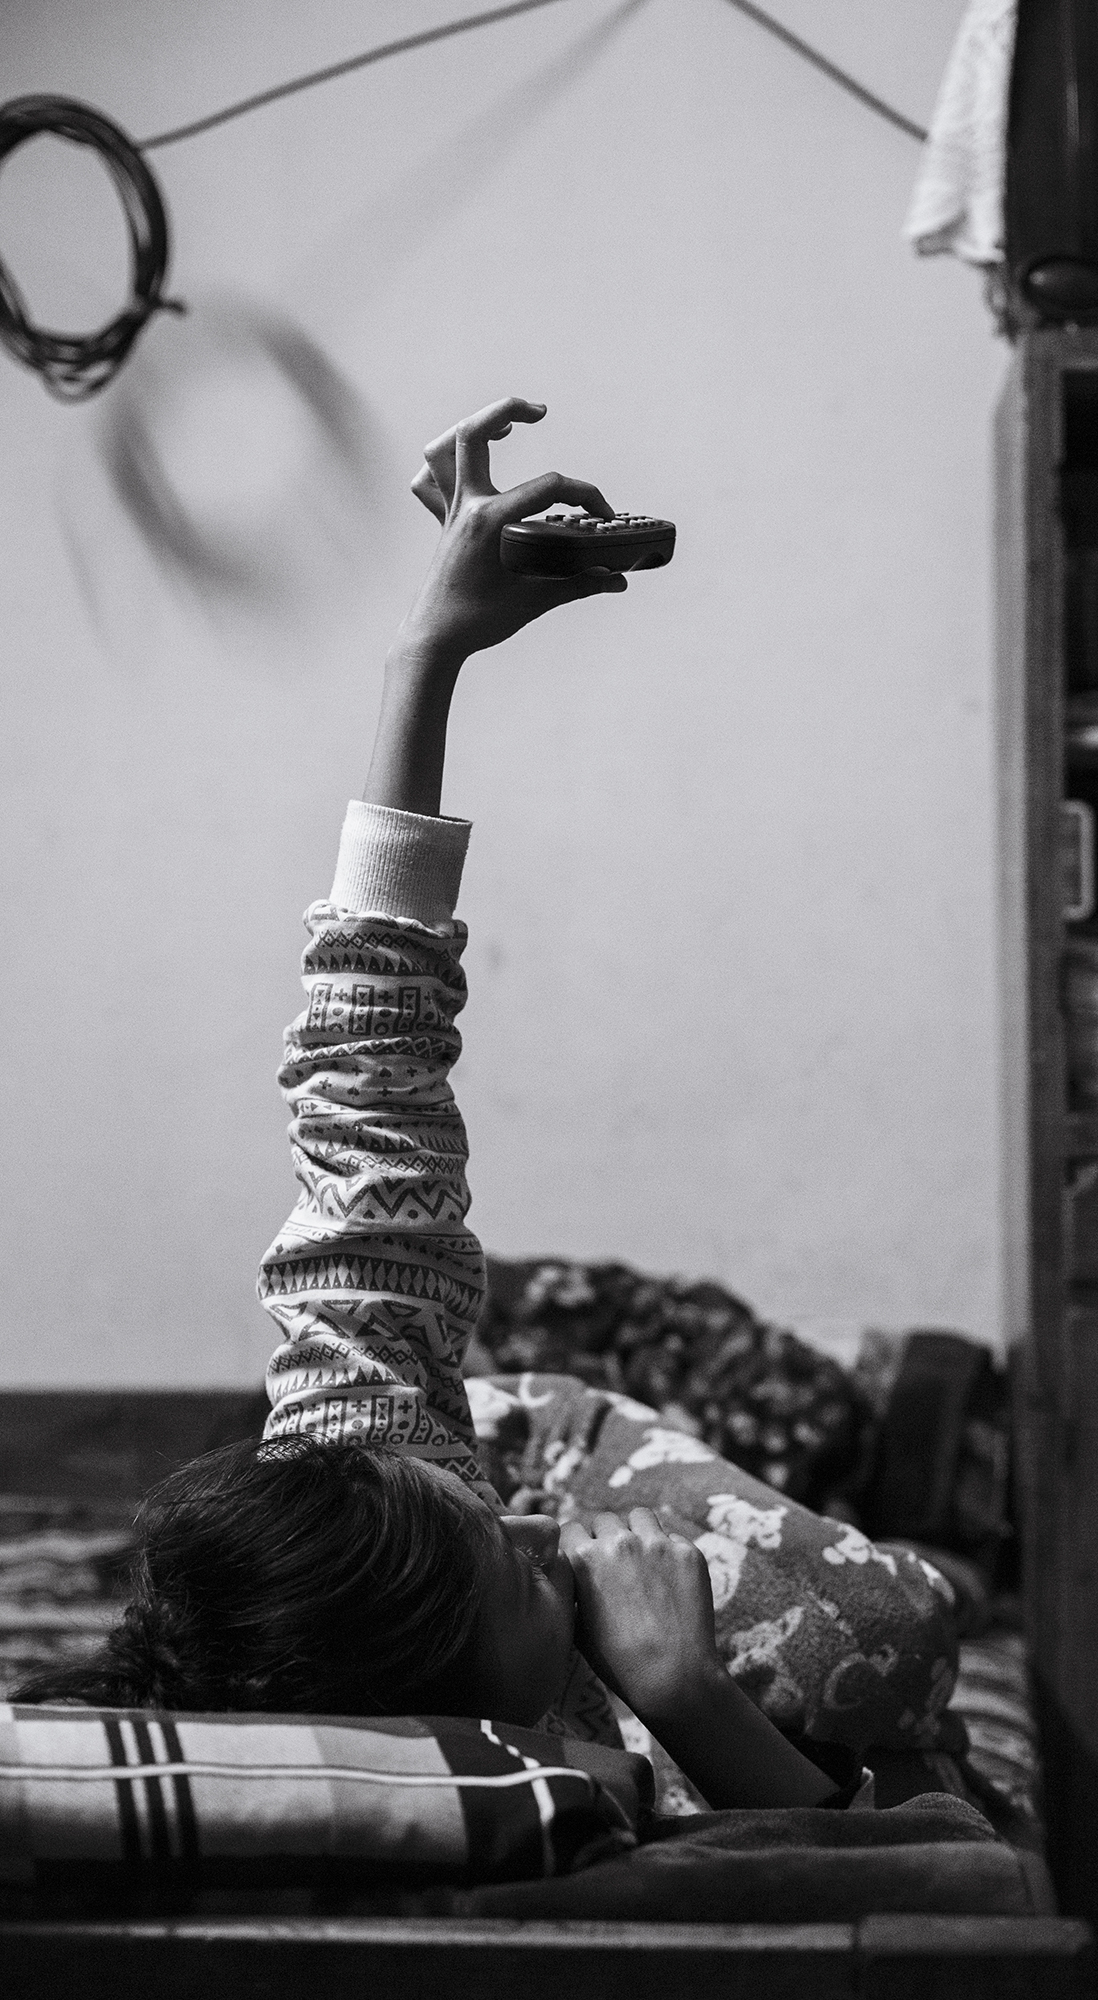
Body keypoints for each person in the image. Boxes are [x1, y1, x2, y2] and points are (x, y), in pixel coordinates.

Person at [16, 401, 958, 1813]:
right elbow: (913, 1864)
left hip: (477, 1412)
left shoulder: (372, 1470)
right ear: (471, 1715)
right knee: (885, 1642)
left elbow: (368, 1057)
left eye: (481, 1521)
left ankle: (542, 1407)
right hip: (528, 1472)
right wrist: (682, 1689)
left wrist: (428, 652)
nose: (529, 1534)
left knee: (490, 1396)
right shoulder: (568, 1781)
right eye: (513, 1566)